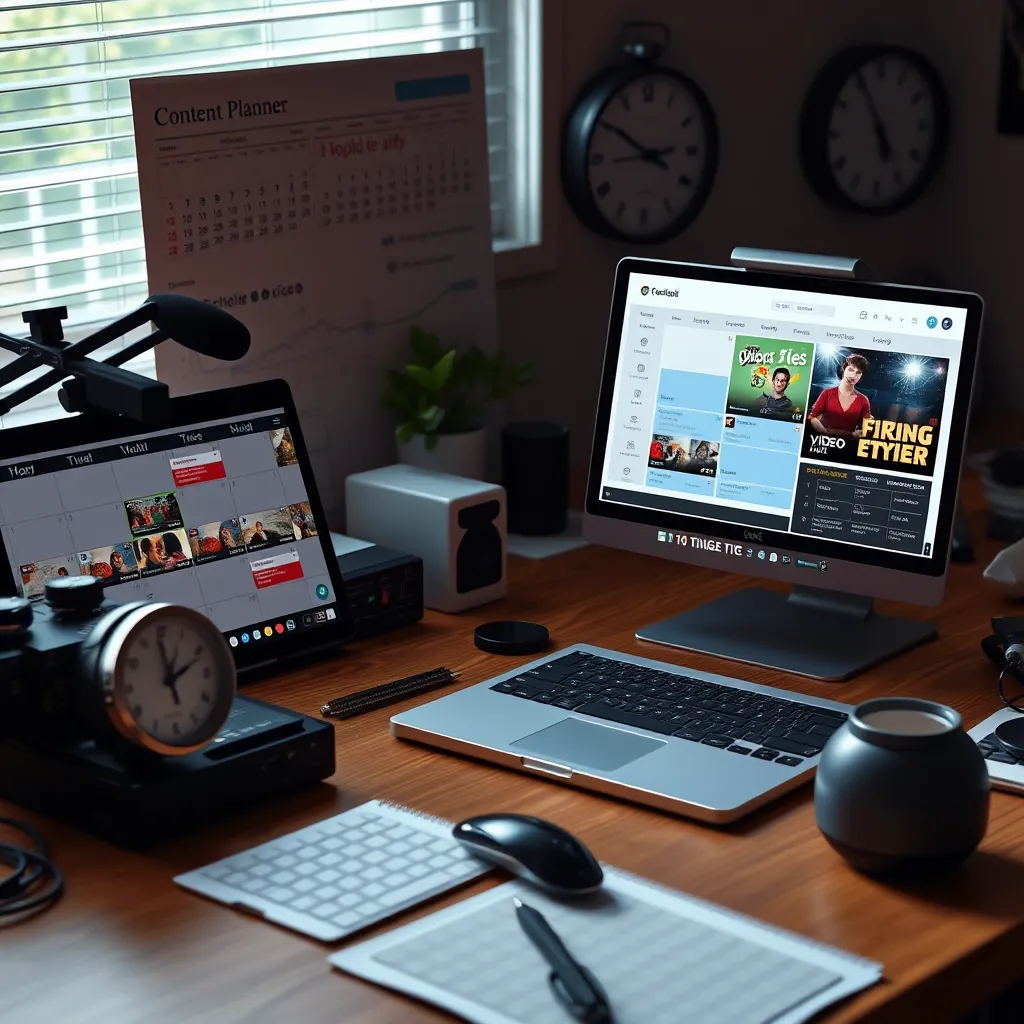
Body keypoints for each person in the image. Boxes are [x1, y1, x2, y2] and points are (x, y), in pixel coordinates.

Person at [808, 354, 872, 437]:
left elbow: (867, 427)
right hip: (824, 442)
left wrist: (864, 430)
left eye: (858, 372)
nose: (853, 376)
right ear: (844, 368)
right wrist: (825, 432)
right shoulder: (827, 393)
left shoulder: (863, 400)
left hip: (848, 445)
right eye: (851, 370)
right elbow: (812, 417)